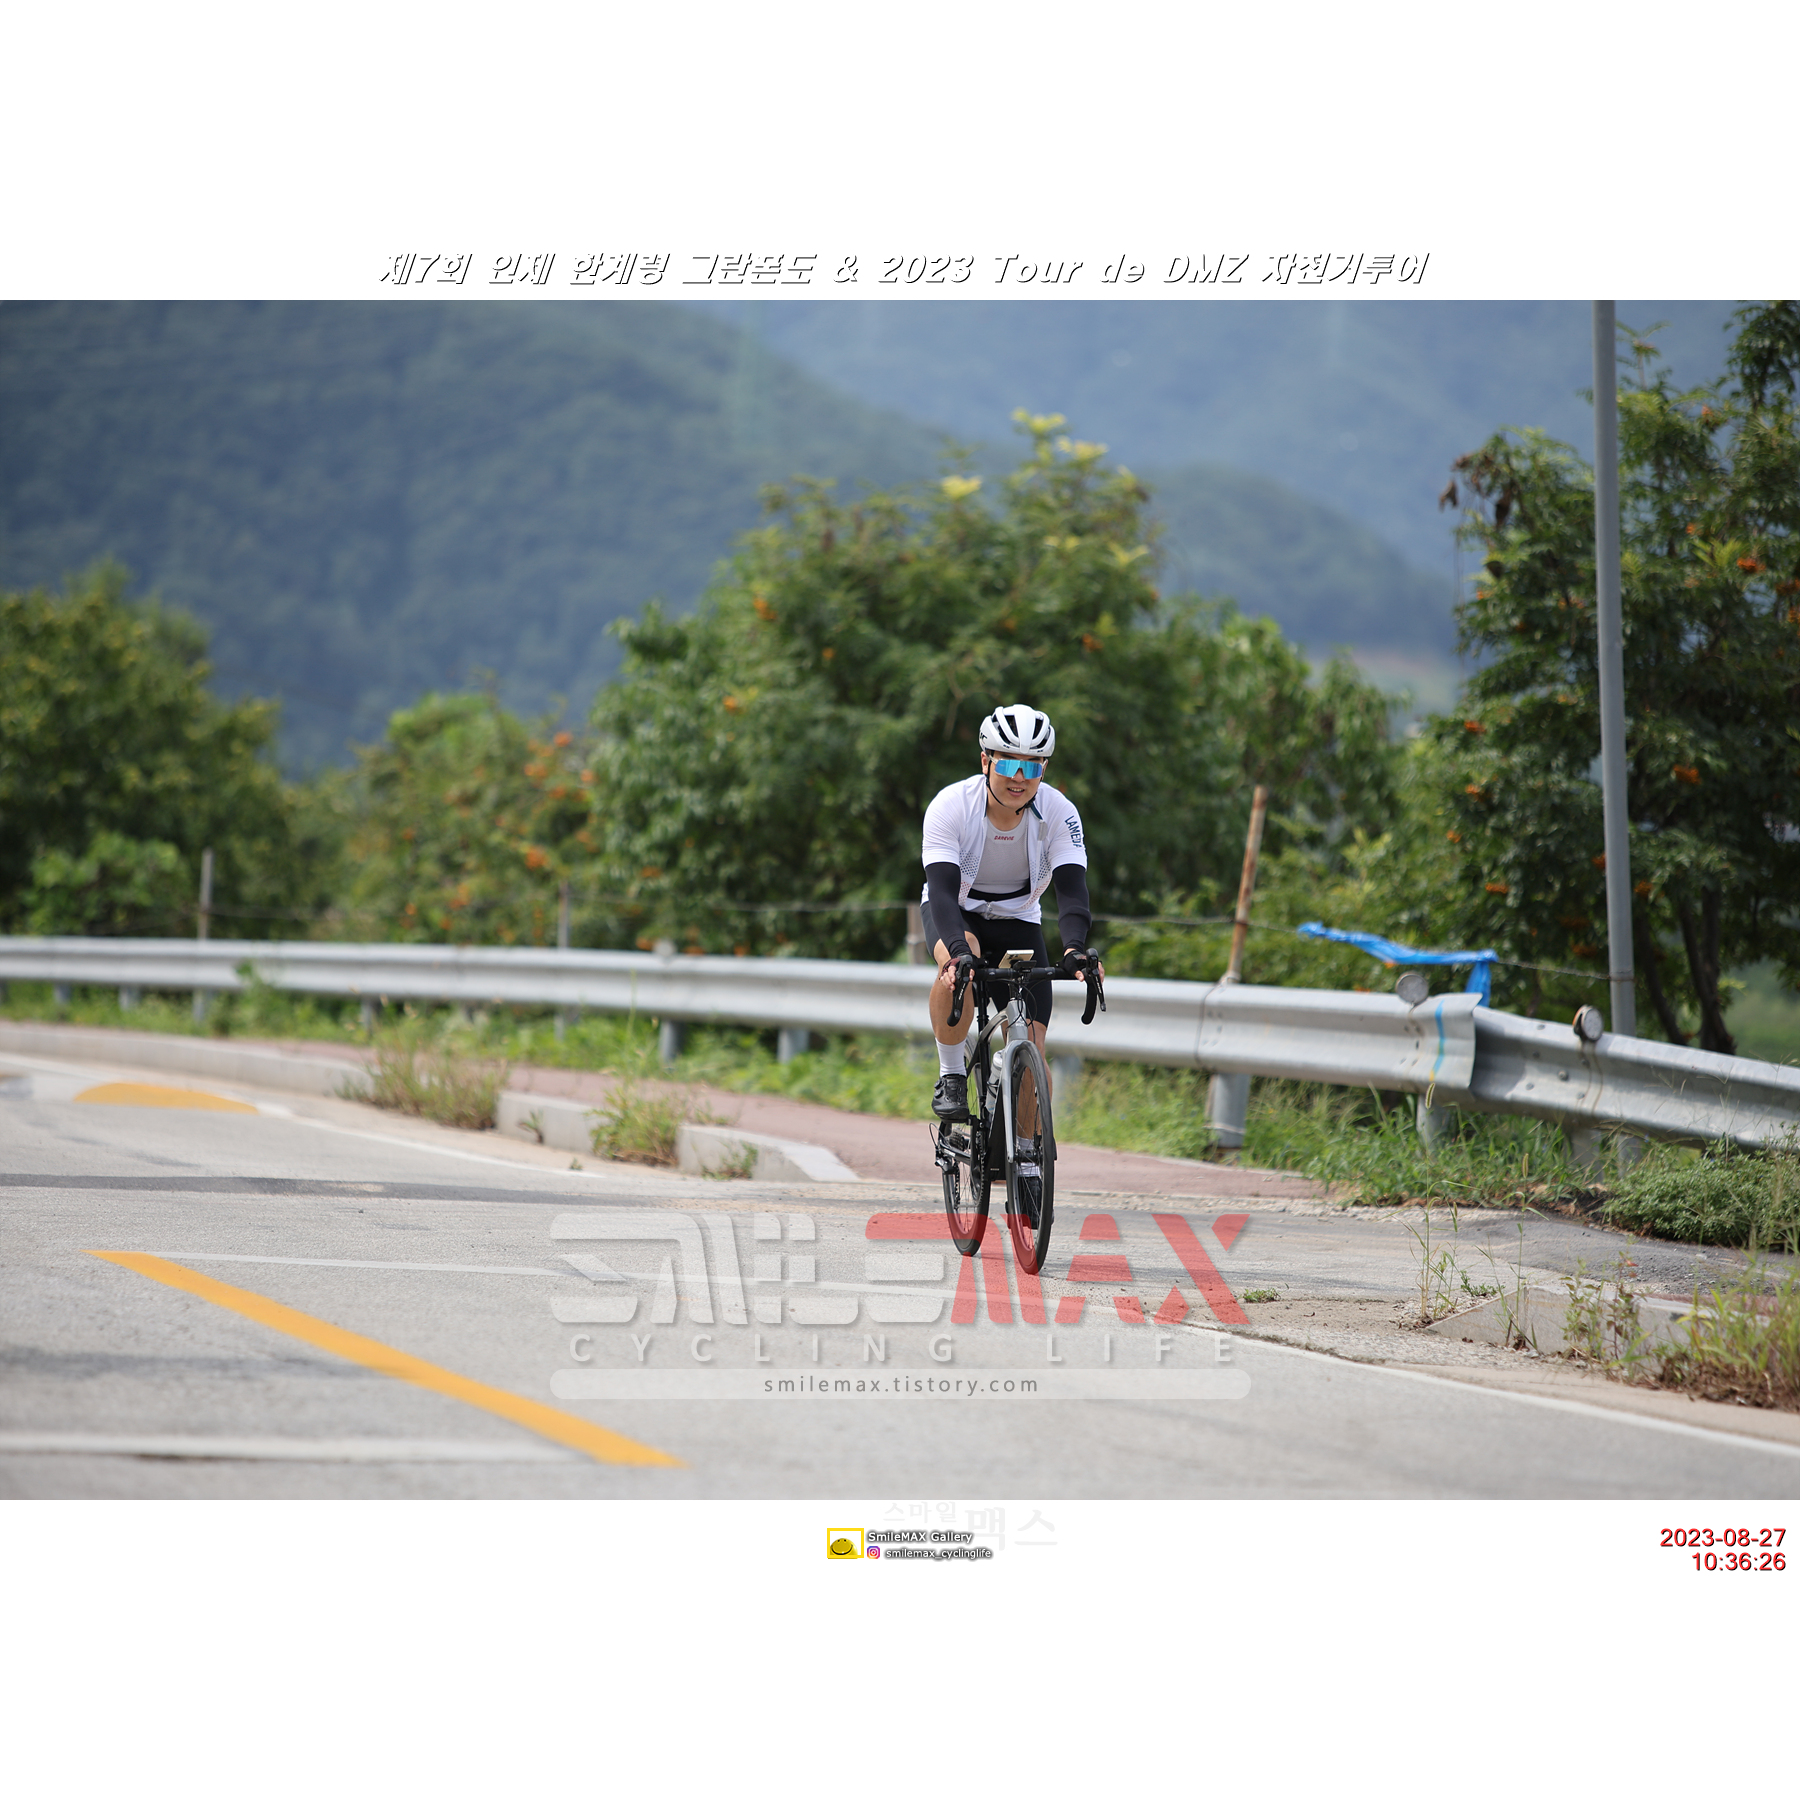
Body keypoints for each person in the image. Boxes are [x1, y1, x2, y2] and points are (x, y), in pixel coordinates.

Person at [919, 704, 1103, 1135]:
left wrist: (1074, 948)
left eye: (1032, 765)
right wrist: (958, 953)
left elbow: (1072, 891)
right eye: (1007, 763)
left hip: (1018, 918)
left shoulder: (1060, 812)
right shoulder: (951, 805)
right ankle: (951, 1075)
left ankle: (1029, 1159)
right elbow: (941, 892)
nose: (1019, 777)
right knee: (960, 964)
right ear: (985, 761)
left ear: (1043, 769)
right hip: (956, 911)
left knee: (1031, 1047)